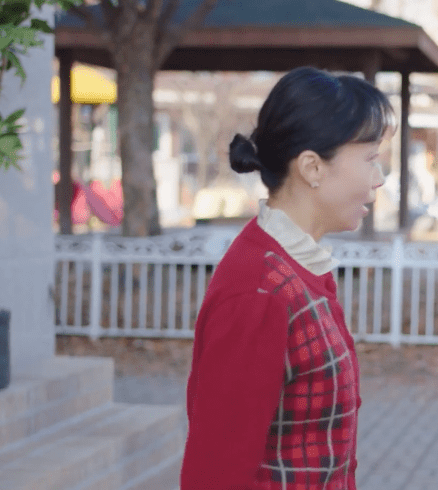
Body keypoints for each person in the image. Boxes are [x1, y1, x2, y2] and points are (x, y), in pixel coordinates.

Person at [181, 66, 392, 490]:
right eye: (370, 159)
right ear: (312, 167)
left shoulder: (293, 264)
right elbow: (215, 472)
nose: (379, 178)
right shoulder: (259, 293)